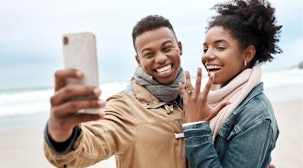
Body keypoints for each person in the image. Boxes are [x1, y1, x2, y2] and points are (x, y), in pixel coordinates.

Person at [43, 15, 189, 168]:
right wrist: (61, 134)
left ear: (179, 47)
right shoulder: (124, 107)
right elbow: (93, 141)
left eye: (166, 48)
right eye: (149, 54)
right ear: (138, 60)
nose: (160, 58)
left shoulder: (195, 97)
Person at [179, 0, 281, 167]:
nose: (207, 56)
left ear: (247, 53)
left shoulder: (256, 115)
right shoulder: (208, 99)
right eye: (205, 49)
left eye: (220, 47)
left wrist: (196, 127)